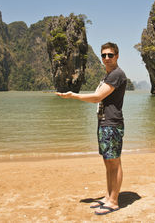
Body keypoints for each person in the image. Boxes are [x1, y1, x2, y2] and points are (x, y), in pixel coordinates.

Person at [56, 42, 127, 215]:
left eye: (110, 55)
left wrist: (74, 96)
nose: (107, 58)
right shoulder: (108, 75)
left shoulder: (116, 74)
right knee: (108, 162)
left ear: (117, 56)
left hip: (112, 123)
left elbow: (97, 97)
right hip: (104, 123)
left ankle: (114, 201)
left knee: (114, 163)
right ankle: (108, 196)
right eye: (104, 55)